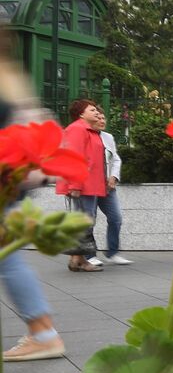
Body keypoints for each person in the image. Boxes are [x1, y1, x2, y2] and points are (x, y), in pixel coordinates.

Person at [1, 47, 67, 361]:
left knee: (8, 257)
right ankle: (43, 332)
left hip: (7, 176)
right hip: (13, 177)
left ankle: (43, 333)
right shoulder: (10, 72)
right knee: (8, 255)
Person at [56, 99, 107, 273]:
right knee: (84, 222)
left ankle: (75, 259)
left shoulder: (90, 131)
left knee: (85, 222)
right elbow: (73, 158)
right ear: (81, 114)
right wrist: (75, 184)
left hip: (89, 185)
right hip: (82, 185)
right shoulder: (77, 130)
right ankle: (81, 260)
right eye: (91, 110)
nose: (96, 112)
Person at [89, 112, 130, 266]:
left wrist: (113, 176)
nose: (101, 120)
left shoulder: (108, 137)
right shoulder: (85, 136)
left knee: (116, 218)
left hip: (107, 187)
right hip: (91, 186)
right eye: (98, 118)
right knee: (89, 220)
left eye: (103, 118)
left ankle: (112, 252)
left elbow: (116, 159)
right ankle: (89, 255)